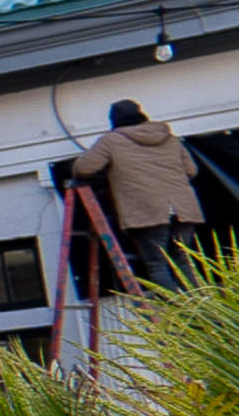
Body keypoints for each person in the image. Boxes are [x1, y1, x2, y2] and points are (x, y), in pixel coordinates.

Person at [70, 99, 204, 286]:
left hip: (147, 212)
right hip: (183, 209)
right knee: (183, 261)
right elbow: (192, 171)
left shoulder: (111, 141)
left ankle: (179, 314)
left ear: (114, 120)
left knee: (157, 265)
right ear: (141, 114)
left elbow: (84, 168)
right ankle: (201, 311)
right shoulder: (170, 138)